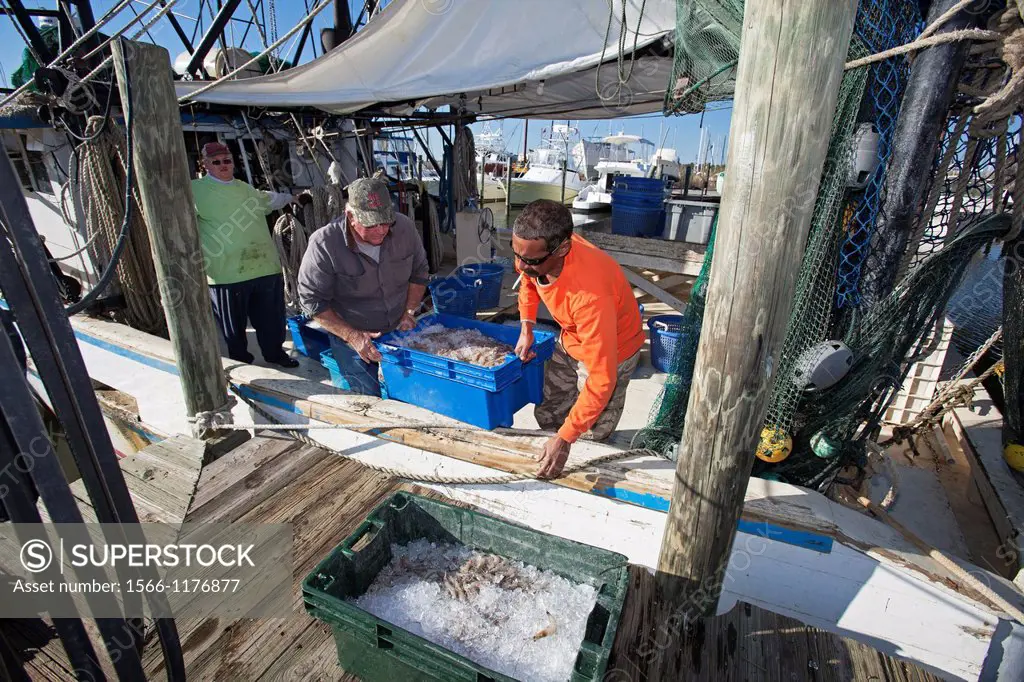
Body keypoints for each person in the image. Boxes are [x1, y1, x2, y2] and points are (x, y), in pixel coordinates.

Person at [513, 199, 644, 479]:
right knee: (549, 409)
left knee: (592, 433)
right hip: (571, 335)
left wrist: (566, 437)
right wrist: (527, 327)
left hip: (615, 350)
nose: (521, 266)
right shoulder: (532, 253)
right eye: (517, 254)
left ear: (563, 248)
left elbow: (601, 379)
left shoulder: (591, 296)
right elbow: (527, 280)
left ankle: (573, 455)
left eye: (532, 261)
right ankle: (553, 445)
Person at [297, 177, 429, 395]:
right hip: (352, 339)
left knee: (409, 393)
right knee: (369, 397)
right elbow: (312, 301)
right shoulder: (324, 243)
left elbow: (419, 272)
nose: (381, 230)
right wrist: (353, 336)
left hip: (399, 331)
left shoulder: (405, 227)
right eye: (371, 223)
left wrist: (409, 311)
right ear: (350, 216)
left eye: (386, 221)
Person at [192, 141, 299, 367]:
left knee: (272, 320)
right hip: (225, 275)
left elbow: (270, 199)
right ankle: (241, 364)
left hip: (266, 269)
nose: (223, 165)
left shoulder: (245, 188)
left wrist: (294, 198)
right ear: (205, 165)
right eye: (216, 162)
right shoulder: (192, 190)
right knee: (233, 329)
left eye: (227, 160)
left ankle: (276, 355)